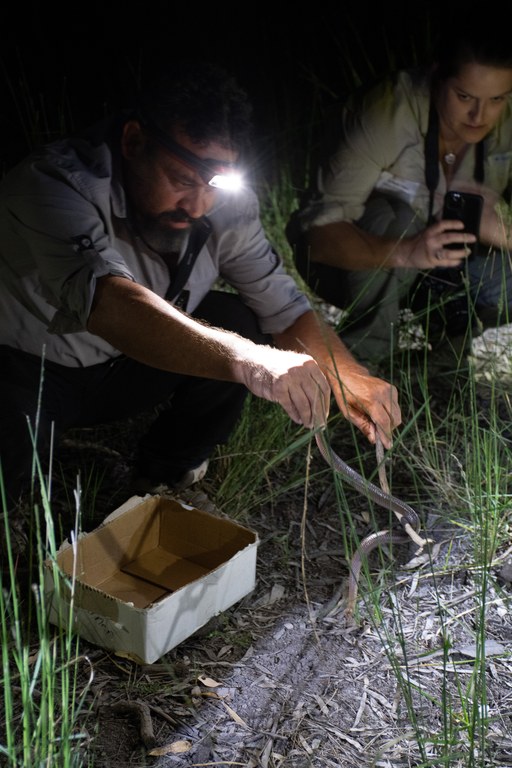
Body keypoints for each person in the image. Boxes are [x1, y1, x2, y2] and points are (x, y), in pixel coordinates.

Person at [0, 58, 401, 525]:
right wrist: (253, 362)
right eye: (182, 180)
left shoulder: (223, 206)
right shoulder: (54, 185)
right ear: (133, 142)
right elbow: (109, 303)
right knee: (12, 489)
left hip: (126, 368)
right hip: (29, 372)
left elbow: (284, 308)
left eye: (213, 184)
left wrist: (347, 375)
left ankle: (167, 474)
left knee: (238, 319)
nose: (197, 205)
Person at [286, 12, 512, 364]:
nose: (479, 116)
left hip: (444, 265)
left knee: (502, 276)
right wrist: (409, 251)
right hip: (352, 264)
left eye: (497, 100)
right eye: (465, 96)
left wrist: (502, 233)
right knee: (397, 216)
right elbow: (318, 239)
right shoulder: (384, 112)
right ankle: (355, 367)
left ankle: (442, 361)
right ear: (438, 76)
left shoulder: (506, 121)